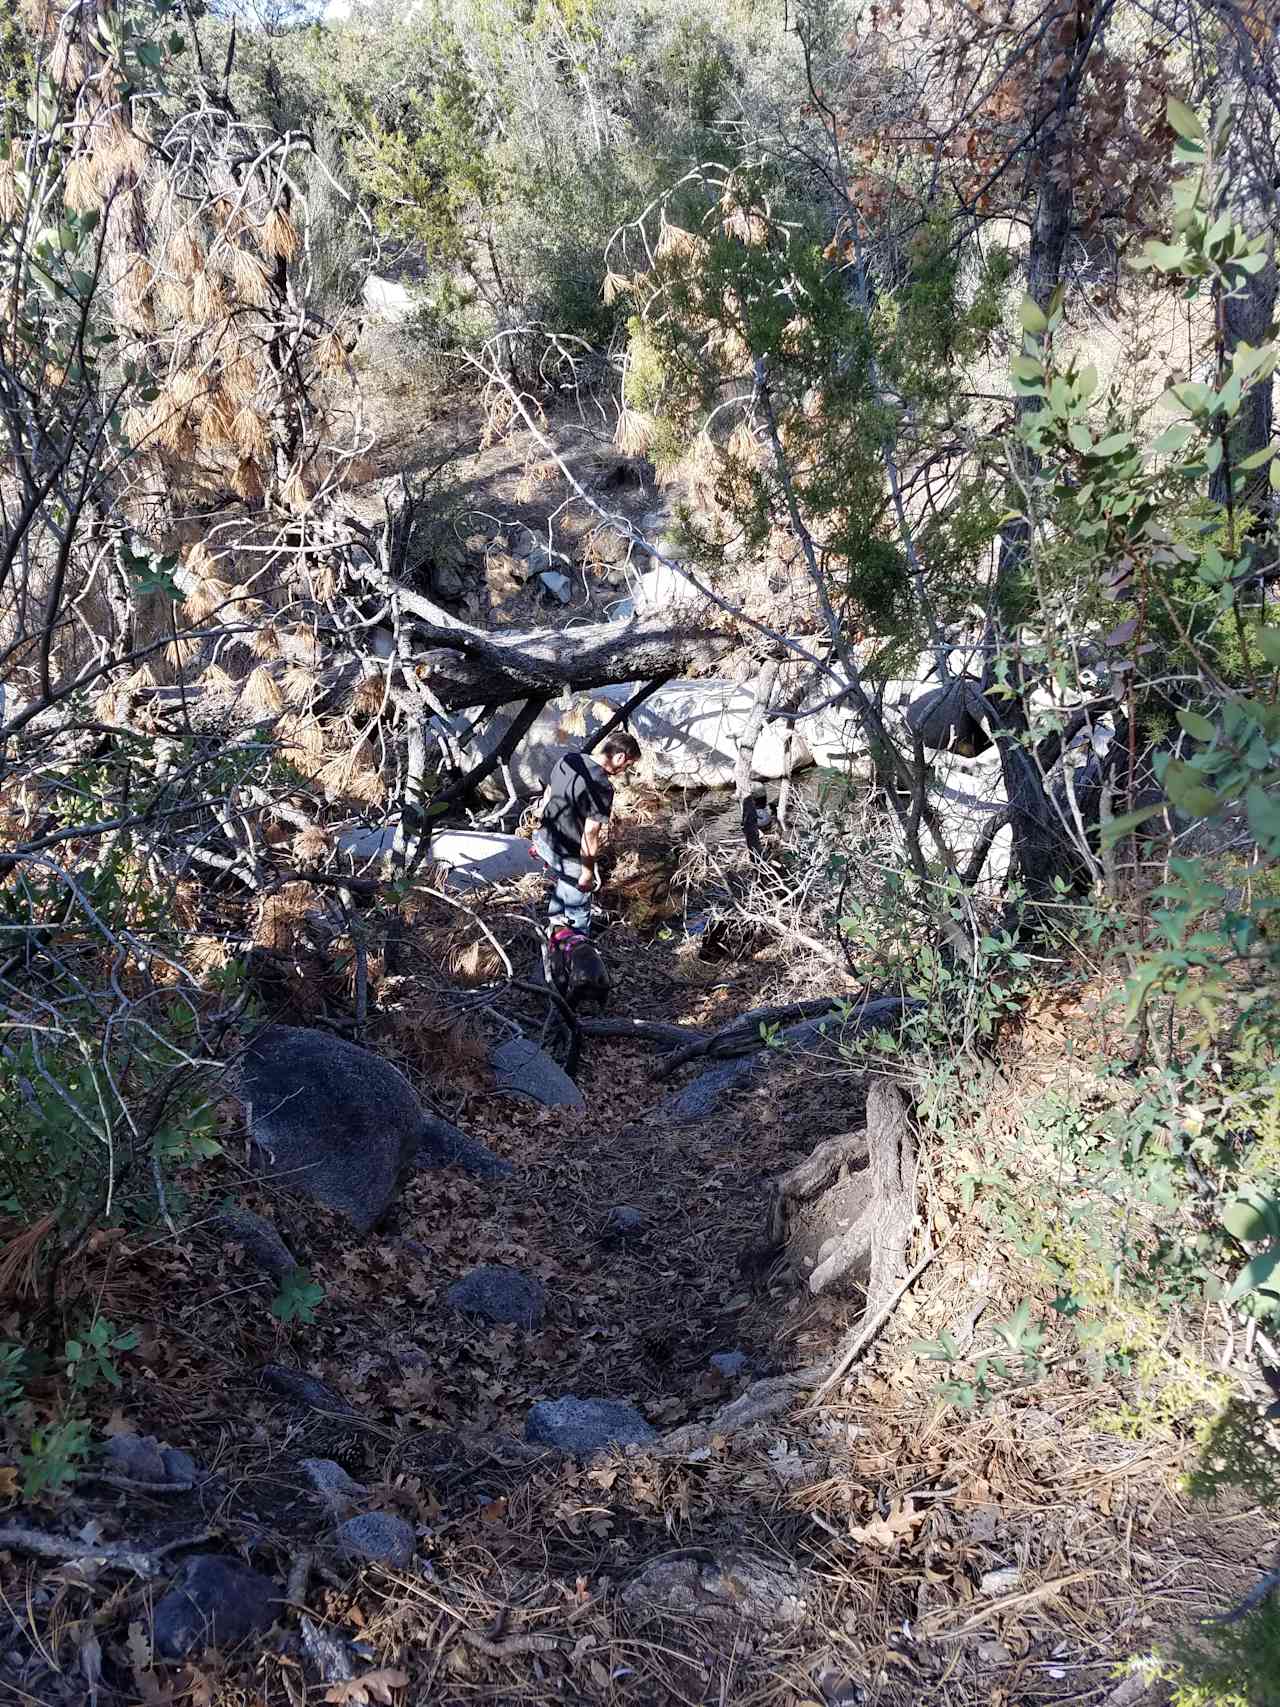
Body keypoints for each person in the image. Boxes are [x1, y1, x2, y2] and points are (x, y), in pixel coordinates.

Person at [532, 732, 641, 937]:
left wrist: (540, 831)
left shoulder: (569, 759)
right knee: (578, 908)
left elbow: (548, 796)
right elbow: (590, 833)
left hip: (544, 840)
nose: (623, 771)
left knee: (564, 884)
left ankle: (552, 933)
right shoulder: (601, 786)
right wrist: (587, 873)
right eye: (627, 766)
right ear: (619, 758)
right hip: (566, 852)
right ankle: (576, 949)